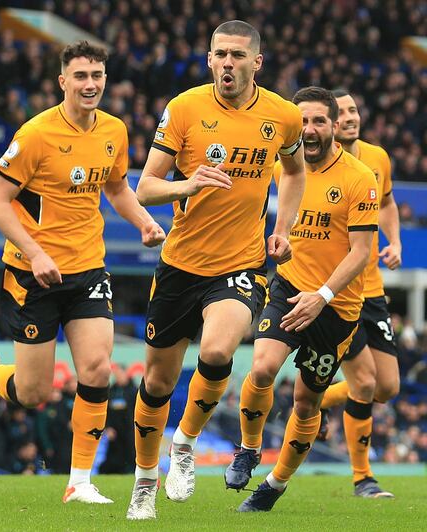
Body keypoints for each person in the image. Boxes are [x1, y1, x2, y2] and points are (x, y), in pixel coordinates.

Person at [0, 40, 165, 505]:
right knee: (32, 393)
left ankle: (79, 481)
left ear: (105, 80)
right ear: (63, 82)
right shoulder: (36, 134)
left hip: (88, 267)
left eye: (97, 76)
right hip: (33, 274)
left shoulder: (114, 129)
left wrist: (146, 222)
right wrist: (35, 253)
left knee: (96, 369)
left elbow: (117, 187)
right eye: (81, 76)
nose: (90, 84)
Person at [123, 20, 305, 519]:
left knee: (220, 349)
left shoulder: (283, 117)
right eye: (220, 54)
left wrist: (283, 227)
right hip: (180, 265)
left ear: (256, 63)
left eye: (238, 56)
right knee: (158, 383)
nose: (228, 63)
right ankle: (143, 482)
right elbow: (145, 188)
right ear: (209, 60)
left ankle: (185, 443)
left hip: (242, 263)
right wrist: (187, 186)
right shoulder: (184, 108)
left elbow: (293, 172)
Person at [226, 87, 378, 512]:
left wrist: (324, 295)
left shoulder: (359, 179)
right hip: (289, 288)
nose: (308, 131)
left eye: (317, 122)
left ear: (333, 126)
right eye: (302, 122)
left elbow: (361, 252)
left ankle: (273, 486)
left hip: (336, 307)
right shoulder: (282, 168)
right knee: (261, 369)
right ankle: (249, 448)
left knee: (306, 401)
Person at [314, 89, 401, 498]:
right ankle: (362, 478)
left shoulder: (378, 158)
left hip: (373, 290)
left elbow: (387, 202)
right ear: (328, 123)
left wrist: (395, 241)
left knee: (388, 387)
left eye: (353, 109)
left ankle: (316, 400)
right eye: (341, 112)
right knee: (365, 384)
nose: (350, 117)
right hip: (336, 291)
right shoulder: (310, 164)